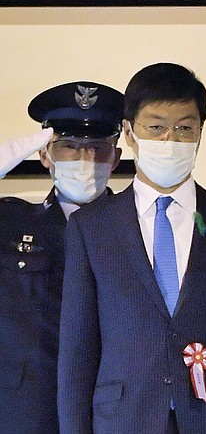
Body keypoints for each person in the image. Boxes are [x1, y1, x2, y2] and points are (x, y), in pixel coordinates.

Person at [57, 63, 206, 434]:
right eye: (157, 127)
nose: (170, 140)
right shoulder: (91, 227)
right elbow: (76, 358)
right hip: (125, 419)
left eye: (184, 128)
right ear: (130, 132)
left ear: (200, 133)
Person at [0, 80, 123, 434]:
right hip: (24, 409)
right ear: (45, 154)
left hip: (110, 410)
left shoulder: (139, 230)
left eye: (98, 148)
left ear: (115, 157)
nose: (85, 160)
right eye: (69, 147)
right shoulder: (10, 222)